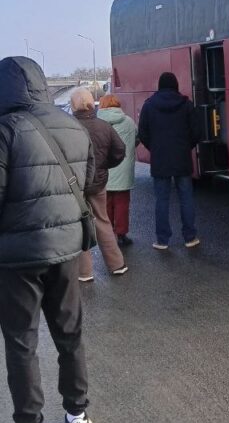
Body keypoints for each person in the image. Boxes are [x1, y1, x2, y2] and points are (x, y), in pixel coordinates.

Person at [0, 57, 95, 423]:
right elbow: (89, 180)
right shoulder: (72, 126)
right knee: (69, 333)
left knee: (22, 341)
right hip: (67, 248)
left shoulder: (5, 130)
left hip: (18, 257)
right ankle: (77, 418)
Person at [138, 72, 201, 250]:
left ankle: (162, 240)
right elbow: (196, 131)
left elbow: (142, 132)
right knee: (186, 198)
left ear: (159, 86)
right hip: (182, 158)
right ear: (175, 85)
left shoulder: (149, 105)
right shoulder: (186, 105)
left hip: (160, 159)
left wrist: (155, 148)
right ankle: (190, 237)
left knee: (162, 200)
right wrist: (185, 146)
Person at [70, 88, 128, 282]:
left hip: (75, 185)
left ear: (73, 106)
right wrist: (104, 166)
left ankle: (84, 272)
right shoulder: (104, 126)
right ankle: (117, 264)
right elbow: (120, 150)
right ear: (91, 103)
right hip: (99, 182)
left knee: (80, 224)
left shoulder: (68, 127)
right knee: (103, 221)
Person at [97, 94, 138, 246]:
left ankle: (107, 234)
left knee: (106, 203)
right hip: (123, 168)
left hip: (104, 169)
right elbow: (136, 139)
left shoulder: (97, 123)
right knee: (122, 203)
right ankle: (121, 235)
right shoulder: (128, 122)